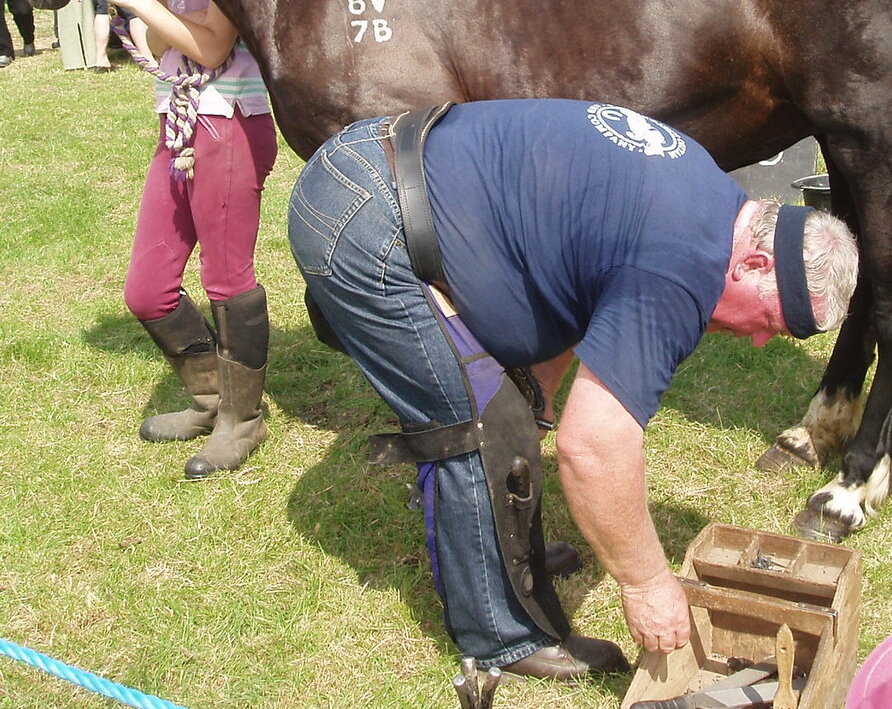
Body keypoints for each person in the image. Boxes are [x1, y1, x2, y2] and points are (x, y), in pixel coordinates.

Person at [287, 99, 859, 681]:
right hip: (365, 221)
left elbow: (574, 289)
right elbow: (593, 449)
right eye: (771, 321)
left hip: (380, 164)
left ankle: (509, 556)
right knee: (475, 426)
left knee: (510, 414)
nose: (760, 341)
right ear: (756, 263)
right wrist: (647, 585)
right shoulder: (681, 271)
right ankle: (500, 640)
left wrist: (533, 408)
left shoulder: (710, 201)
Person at [83, 0, 278, 478]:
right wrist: (158, 13)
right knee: (146, 290)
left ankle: (242, 420)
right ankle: (211, 401)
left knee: (226, 278)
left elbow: (213, 47)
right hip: (180, 123)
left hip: (231, 122)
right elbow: (153, 36)